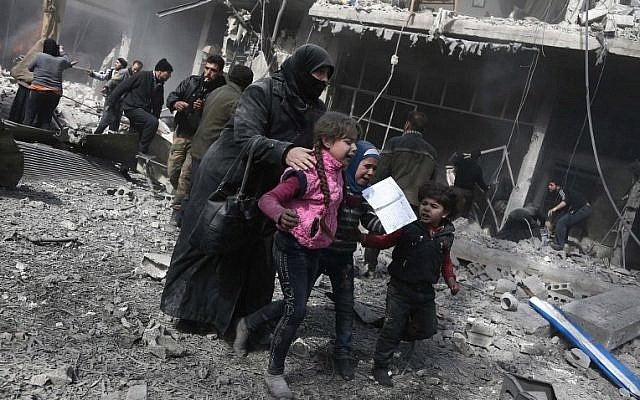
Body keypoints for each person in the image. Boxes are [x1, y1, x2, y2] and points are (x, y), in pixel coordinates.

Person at [160, 44, 334, 338]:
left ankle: (238, 321)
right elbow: (245, 135)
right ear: (301, 69)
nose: (322, 81)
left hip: (268, 186)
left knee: (254, 253)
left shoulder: (316, 109)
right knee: (211, 238)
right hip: (228, 175)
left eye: (327, 76)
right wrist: (284, 151)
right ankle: (192, 314)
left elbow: (321, 147)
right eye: (318, 72)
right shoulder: (262, 92)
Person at [233, 112, 358, 399]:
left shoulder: (337, 170)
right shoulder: (307, 172)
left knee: (295, 302)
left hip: (316, 247)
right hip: (292, 246)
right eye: (348, 142)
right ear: (326, 141)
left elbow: (334, 199)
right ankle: (274, 373)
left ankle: (248, 323)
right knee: (297, 308)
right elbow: (268, 199)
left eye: (355, 143)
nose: (353, 148)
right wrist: (281, 215)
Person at [361, 181, 460, 387]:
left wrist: (451, 280)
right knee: (391, 330)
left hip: (425, 292)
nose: (426, 209)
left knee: (427, 329)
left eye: (434, 206)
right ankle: (380, 366)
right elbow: (383, 241)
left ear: (445, 212)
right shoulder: (409, 226)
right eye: (424, 203)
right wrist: (362, 237)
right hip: (400, 289)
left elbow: (446, 261)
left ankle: (394, 326)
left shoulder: (446, 235)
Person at [316, 140, 382, 380]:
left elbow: (369, 220)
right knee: (298, 299)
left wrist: (390, 222)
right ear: (353, 162)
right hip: (320, 251)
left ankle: (342, 353)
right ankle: (254, 322)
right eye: (367, 166)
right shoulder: (336, 186)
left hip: (343, 257)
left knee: (345, 306)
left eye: (375, 169)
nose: (371, 172)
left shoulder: (364, 194)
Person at [363, 111, 437, 277]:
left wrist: (371, 195)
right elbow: (432, 182)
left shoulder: (395, 143)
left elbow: (381, 171)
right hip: (416, 202)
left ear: (407, 125)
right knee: (407, 238)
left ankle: (370, 266)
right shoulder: (432, 152)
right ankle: (400, 271)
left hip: (393, 198)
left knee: (377, 231)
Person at [166, 55, 227, 223]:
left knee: (186, 174)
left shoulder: (221, 90)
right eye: (206, 68)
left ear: (220, 72)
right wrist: (175, 103)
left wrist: (205, 107)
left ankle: (177, 211)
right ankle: (181, 194)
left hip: (200, 138)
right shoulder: (191, 81)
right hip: (182, 132)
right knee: (173, 169)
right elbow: (172, 95)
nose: (208, 73)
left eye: (213, 70)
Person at [189, 64, 254, 178]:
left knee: (192, 188)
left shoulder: (216, 91)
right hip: (211, 156)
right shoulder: (238, 100)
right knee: (201, 192)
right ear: (247, 84)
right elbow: (239, 132)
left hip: (198, 148)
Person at [106, 58, 173, 155]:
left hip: (142, 111)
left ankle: (125, 164)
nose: (169, 76)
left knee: (134, 136)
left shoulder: (160, 84)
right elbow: (122, 87)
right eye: (168, 73)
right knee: (152, 122)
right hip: (132, 108)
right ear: (159, 71)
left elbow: (158, 103)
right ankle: (141, 151)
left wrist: (156, 116)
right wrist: (110, 103)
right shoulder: (142, 75)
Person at [23, 38, 77, 129]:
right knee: (46, 118)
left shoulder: (39, 56)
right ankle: (42, 139)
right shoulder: (61, 61)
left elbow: (29, 68)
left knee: (30, 115)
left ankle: (23, 134)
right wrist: (62, 51)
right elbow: (68, 62)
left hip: (37, 90)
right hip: (54, 93)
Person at [547, 179, 592, 251]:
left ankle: (559, 245)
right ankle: (562, 242)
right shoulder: (562, 192)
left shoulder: (562, 191)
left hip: (583, 209)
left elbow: (565, 201)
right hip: (584, 209)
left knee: (562, 222)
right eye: (549, 185)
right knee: (565, 222)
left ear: (557, 186)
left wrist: (554, 209)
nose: (549, 186)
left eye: (551, 185)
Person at [88, 57, 130, 134]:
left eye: (118, 63)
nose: (115, 64)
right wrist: (93, 74)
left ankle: (110, 137)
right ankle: (96, 135)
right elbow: (103, 77)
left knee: (115, 120)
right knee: (106, 118)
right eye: (116, 62)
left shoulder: (125, 74)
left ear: (122, 65)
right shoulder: (111, 71)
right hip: (109, 99)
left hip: (119, 101)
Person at [452, 150, 489, 220]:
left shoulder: (462, 162)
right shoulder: (477, 168)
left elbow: (455, 160)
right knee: (470, 199)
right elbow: (480, 183)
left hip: (455, 188)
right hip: (466, 192)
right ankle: (464, 215)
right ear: (478, 158)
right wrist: (487, 188)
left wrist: (463, 156)